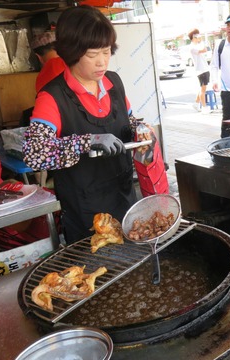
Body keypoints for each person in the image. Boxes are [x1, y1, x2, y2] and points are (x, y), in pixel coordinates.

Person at [23, 5, 138, 244]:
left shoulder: (113, 82)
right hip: (86, 213)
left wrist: (141, 133)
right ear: (72, 52)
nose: (101, 62)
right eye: (92, 54)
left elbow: (130, 121)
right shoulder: (52, 97)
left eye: (106, 52)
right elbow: (35, 155)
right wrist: (86, 142)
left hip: (124, 199)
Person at [188, 29, 211, 114]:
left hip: (205, 68)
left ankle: (196, 103)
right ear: (193, 36)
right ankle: (204, 108)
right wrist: (201, 41)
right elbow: (204, 50)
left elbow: (205, 49)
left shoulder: (197, 45)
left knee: (202, 88)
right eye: (196, 35)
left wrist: (200, 41)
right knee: (203, 89)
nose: (198, 36)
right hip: (200, 70)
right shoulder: (192, 47)